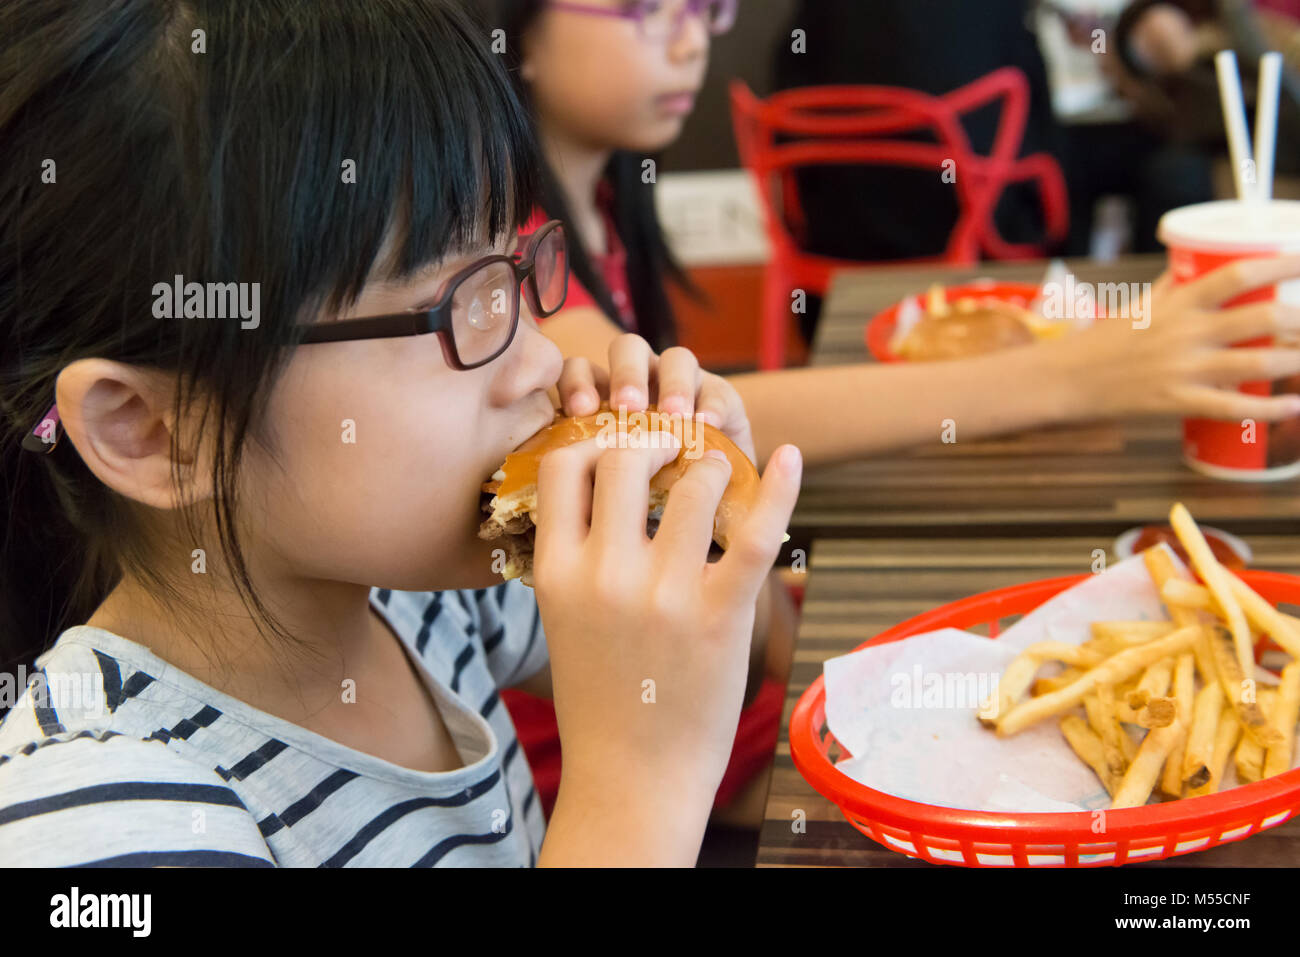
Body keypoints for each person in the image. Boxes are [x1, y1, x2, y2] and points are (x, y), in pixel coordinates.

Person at [0, 0, 800, 867]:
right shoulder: (95, 819)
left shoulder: (433, 600)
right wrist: (640, 781)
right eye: (460, 305)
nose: (540, 362)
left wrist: (702, 522)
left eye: (515, 273)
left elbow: (739, 657)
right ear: (155, 431)